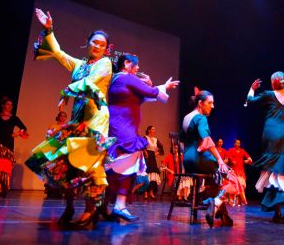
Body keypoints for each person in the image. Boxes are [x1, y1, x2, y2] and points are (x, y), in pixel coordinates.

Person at [25, 8, 114, 228]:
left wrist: (66, 91)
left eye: (102, 45)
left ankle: (90, 211)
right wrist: (49, 29)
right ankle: (69, 207)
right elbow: (58, 52)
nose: (97, 46)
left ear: (106, 49)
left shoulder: (105, 64)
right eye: (94, 42)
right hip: (77, 120)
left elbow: (91, 82)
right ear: (88, 42)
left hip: (95, 120)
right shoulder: (79, 65)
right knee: (67, 164)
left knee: (91, 165)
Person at [104, 53, 179, 222]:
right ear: (127, 63)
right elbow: (150, 92)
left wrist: (162, 87)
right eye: (136, 65)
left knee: (119, 163)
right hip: (123, 128)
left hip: (120, 125)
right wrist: (158, 86)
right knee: (126, 159)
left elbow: (142, 96)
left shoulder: (119, 80)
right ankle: (118, 205)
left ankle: (107, 204)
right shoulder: (126, 78)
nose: (137, 69)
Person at [245, 72, 284, 223]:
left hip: (272, 131)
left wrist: (252, 88)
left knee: (273, 170)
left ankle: (278, 211)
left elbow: (250, 101)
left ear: (273, 82)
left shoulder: (269, 94)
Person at [182, 88, 233, 227]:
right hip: (198, 159)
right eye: (210, 103)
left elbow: (183, 142)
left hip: (187, 160)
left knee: (214, 179)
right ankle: (210, 201)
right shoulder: (201, 118)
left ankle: (222, 213)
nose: (213, 106)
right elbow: (207, 139)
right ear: (200, 103)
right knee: (229, 174)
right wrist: (220, 160)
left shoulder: (187, 117)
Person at [43, 111, 68, 199]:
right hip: (54, 150)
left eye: (65, 116)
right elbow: (47, 136)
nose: (63, 117)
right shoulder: (53, 126)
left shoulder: (67, 127)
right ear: (58, 117)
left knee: (61, 170)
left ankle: (60, 191)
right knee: (52, 170)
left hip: (63, 151)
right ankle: (50, 190)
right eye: (61, 116)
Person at [227, 139, 253, 206]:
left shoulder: (242, 151)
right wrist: (232, 160)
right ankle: (231, 201)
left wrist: (248, 160)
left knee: (241, 186)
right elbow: (228, 156)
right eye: (236, 143)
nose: (238, 144)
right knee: (233, 186)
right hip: (233, 170)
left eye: (239, 143)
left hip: (240, 171)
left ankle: (241, 201)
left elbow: (249, 158)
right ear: (234, 144)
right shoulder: (231, 150)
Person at [143, 125, 164, 199]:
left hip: (153, 159)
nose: (154, 131)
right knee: (147, 175)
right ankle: (145, 192)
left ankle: (151, 192)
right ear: (148, 130)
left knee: (154, 175)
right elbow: (142, 146)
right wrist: (145, 153)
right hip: (147, 158)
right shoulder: (145, 138)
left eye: (154, 129)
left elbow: (161, 148)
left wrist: (157, 153)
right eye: (152, 129)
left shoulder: (155, 139)